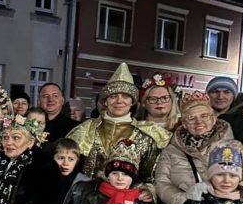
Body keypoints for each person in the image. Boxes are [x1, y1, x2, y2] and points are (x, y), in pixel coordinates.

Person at [155, 92, 243, 204]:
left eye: (204, 116)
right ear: (183, 123)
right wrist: (188, 202)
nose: (199, 122)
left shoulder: (234, 146)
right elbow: (162, 184)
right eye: (191, 118)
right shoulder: (171, 151)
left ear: (214, 118)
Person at [68, 63, 171, 196]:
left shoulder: (148, 135)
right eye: (113, 96)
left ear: (132, 101)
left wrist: (148, 191)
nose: (119, 101)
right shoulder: (85, 129)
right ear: (105, 101)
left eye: (125, 96)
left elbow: (152, 176)